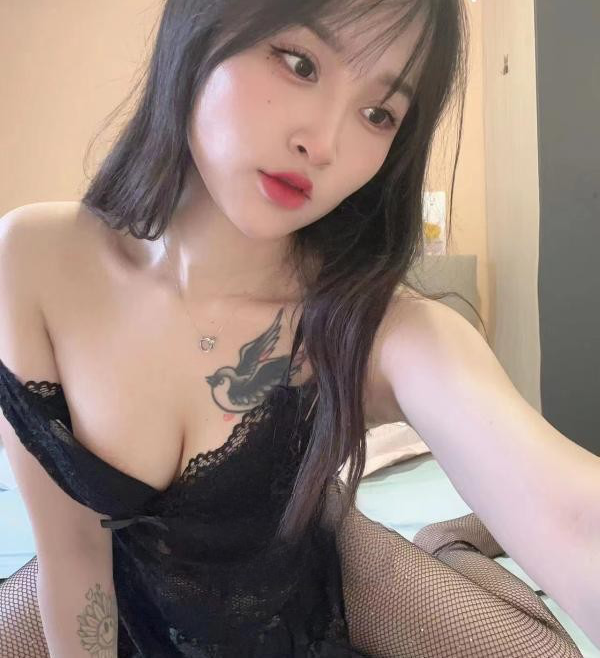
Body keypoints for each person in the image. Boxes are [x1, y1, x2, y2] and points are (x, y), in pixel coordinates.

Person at [0, 0, 596, 655]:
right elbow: (72, 552)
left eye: (379, 113)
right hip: (116, 582)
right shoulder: (33, 259)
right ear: (201, 23)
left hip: (304, 578)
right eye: (299, 63)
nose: (325, 143)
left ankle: (449, 543)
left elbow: (574, 519)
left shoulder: (376, 327)